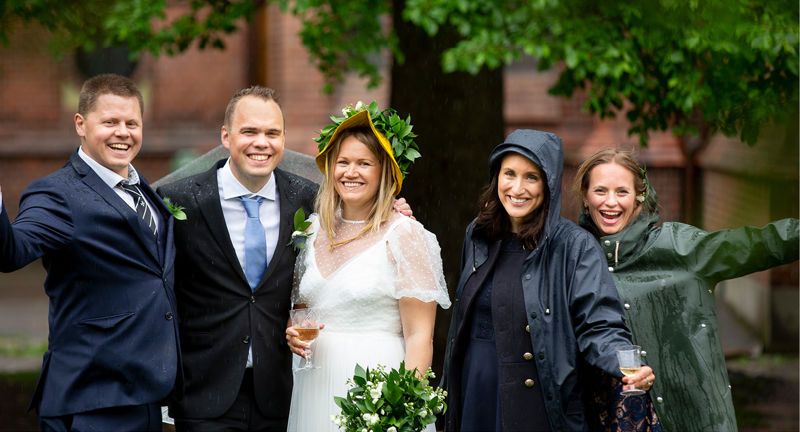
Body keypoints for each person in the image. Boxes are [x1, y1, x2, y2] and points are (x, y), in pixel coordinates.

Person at [158, 89, 413, 431]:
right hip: (204, 393)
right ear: (226, 136)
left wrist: (393, 211)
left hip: (283, 393)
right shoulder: (180, 201)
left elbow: (359, 223)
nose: (261, 142)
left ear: (283, 138)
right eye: (249, 132)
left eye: (272, 133)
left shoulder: (309, 200)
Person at [440, 130, 657, 432]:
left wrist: (622, 363)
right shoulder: (477, 235)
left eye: (531, 177)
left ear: (549, 184)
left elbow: (600, 323)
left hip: (537, 403)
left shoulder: (573, 246)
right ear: (496, 177)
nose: (517, 188)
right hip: (475, 393)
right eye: (510, 174)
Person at [574, 147, 799, 432]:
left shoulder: (677, 247)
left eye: (622, 192)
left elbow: (754, 245)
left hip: (687, 418)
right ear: (585, 196)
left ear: (639, 198)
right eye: (600, 191)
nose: (610, 202)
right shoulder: (573, 258)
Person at [0, 74, 180, 431]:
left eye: (132, 123)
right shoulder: (57, 194)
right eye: (110, 122)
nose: (123, 132)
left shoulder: (145, 190)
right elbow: (11, 252)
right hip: (92, 396)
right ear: (80, 124)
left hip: (146, 394)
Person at [285, 104, 451, 432]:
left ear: (383, 172)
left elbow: (420, 335)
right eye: (343, 162)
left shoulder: (406, 235)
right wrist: (293, 332)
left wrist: (404, 408)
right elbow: (301, 306)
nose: (351, 172)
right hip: (313, 386)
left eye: (364, 163)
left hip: (378, 390)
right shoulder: (311, 230)